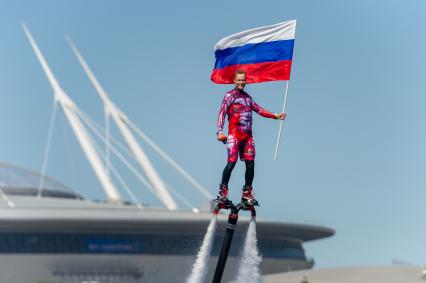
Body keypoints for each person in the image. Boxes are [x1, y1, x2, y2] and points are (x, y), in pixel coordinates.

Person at [215, 70, 286, 207]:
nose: (242, 82)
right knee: (232, 163)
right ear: (234, 81)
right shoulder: (229, 96)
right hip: (234, 135)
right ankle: (222, 192)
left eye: (244, 80)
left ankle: (247, 193)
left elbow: (259, 110)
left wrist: (276, 116)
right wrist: (219, 132)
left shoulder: (248, 98)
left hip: (247, 136)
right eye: (239, 80)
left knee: (251, 163)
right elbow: (222, 113)